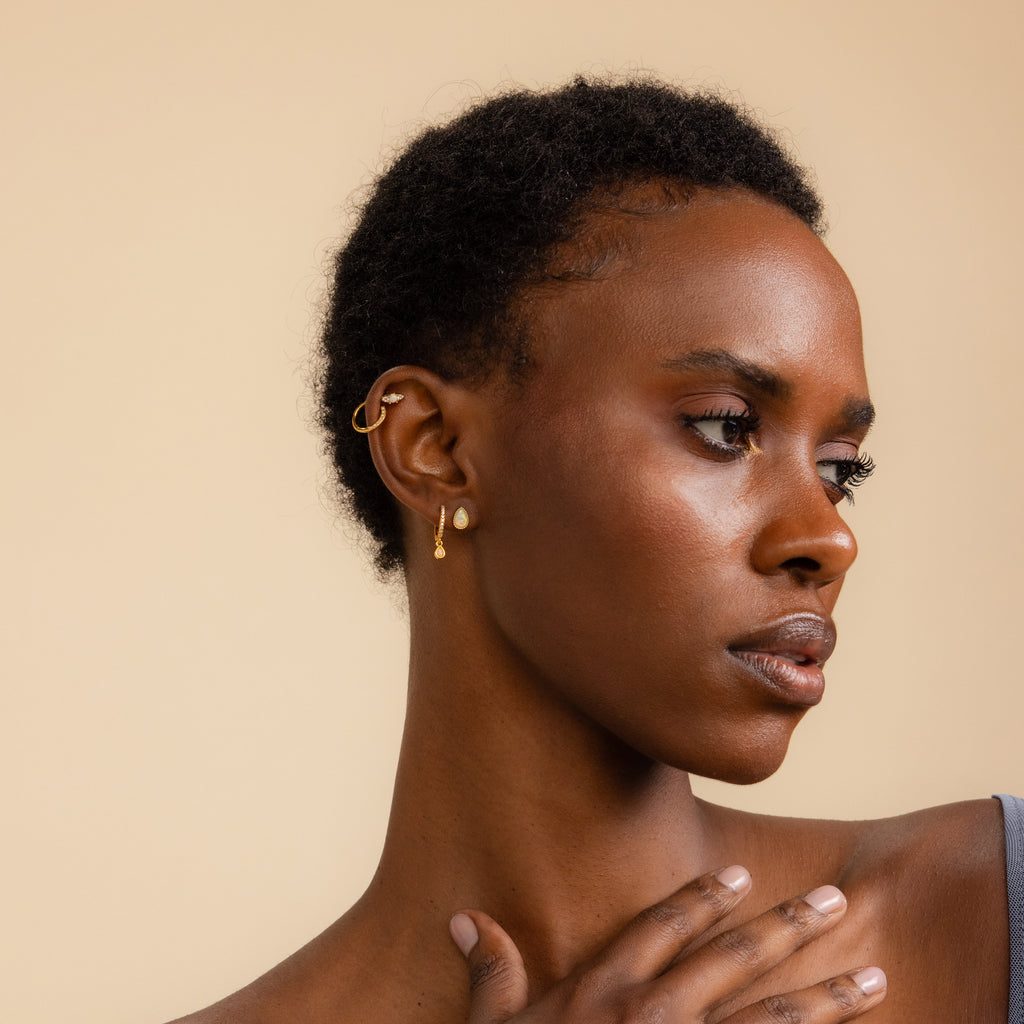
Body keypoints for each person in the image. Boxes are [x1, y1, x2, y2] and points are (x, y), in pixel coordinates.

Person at [168, 76, 1021, 1023]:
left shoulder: (989, 914)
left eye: (839, 468)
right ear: (435, 449)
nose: (827, 536)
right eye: (725, 427)